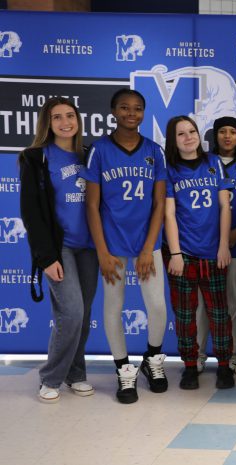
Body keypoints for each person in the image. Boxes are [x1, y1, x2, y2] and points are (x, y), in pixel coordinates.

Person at [82, 89, 169, 404]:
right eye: (124, 108)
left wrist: (148, 248)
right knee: (113, 307)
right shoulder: (99, 150)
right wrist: (102, 252)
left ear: (144, 113)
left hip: (147, 242)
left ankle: (153, 359)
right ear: (113, 111)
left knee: (158, 306)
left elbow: (159, 203)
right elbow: (92, 206)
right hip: (112, 243)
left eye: (138, 109)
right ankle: (123, 368)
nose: (131, 113)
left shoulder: (155, 151)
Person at [20, 97, 98, 403]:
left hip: (90, 248)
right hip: (60, 247)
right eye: (57, 117)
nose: (65, 122)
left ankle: (76, 374)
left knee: (84, 313)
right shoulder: (35, 158)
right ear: (47, 124)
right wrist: (47, 257)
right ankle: (50, 377)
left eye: (70, 115)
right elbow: (31, 212)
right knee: (72, 312)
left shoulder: (90, 154)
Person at [163, 115, 234, 390]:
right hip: (183, 254)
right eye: (181, 134)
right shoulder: (169, 169)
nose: (189, 137)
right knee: (184, 315)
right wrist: (177, 254)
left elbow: (225, 207)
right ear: (173, 140)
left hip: (213, 252)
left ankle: (224, 366)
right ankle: (190, 366)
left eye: (192, 131)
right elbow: (169, 213)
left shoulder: (213, 162)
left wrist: (223, 245)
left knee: (219, 314)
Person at [195, 117, 236, 374]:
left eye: (232, 132)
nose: (227, 136)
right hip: (205, 243)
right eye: (222, 132)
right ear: (214, 135)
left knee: (233, 301)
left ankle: (230, 353)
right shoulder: (203, 162)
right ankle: (197, 353)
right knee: (201, 302)